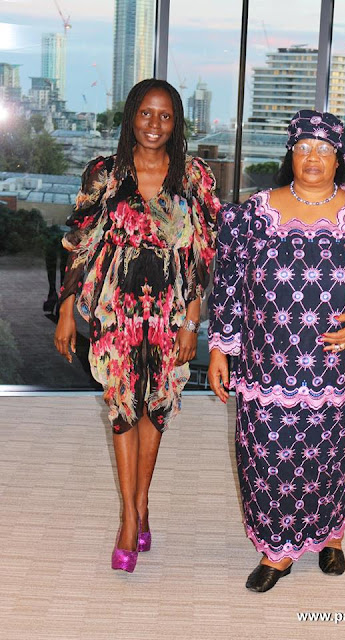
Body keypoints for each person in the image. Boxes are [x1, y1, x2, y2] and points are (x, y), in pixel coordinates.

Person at [208, 110, 345, 592]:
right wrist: (219, 349)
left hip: (340, 371)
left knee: (331, 458)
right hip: (265, 365)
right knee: (266, 456)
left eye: (323, 149)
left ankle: (331, 536)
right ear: (290, 154)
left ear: (340, 158)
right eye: (303, 148)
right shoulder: (249, 216)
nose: (312, 157)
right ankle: (276, 552)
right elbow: (229, 286)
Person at [55, 79, 220, 572]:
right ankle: (130, 517)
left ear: (177, 123)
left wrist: (193, 321)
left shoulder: (194, 177)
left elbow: (204, 255)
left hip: (171, 310)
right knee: (123, 409)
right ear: (131, 117)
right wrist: (67, 309)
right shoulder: (105, 173)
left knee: (157, 411)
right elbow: (81, 240)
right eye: (146, 114)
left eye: (164, 116)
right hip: (116, 310)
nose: (154, 124)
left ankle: (141, 501)